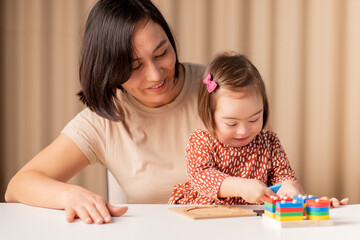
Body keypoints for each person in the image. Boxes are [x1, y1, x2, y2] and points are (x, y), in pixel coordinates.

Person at [5, 0, 347, 224]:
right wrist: (71, 194)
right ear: (108, 70)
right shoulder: (104, 120)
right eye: (134, 65)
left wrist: (299, 199)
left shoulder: (215, 88)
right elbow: (19, 185)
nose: (156, 75)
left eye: (162, 52)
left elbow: (270, 161)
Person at [168, 53, 348, 206]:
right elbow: (201, 177)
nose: (244, 131)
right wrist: (241, 187)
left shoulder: (268, 142)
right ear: (209, 115)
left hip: (251, 222)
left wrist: (293, 193)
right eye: (232, 123)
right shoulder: (202, 140)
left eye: (254, 119)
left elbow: (283, 175)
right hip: (205, 218)